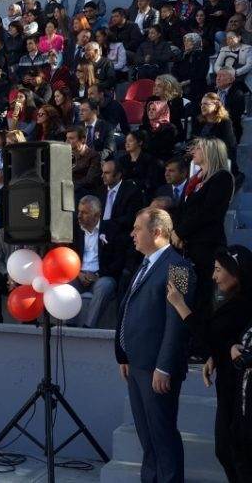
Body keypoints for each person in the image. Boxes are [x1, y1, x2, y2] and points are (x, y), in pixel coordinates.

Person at [115, 207, 195, 483]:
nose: (132, 234)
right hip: (137, 365)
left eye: (137, 228)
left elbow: (177, 323)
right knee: (147, 438)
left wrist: (164, 366)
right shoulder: (145, 263)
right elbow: (131, 309)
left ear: (157, 232)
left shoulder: (178, 267)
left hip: (157, 369)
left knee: (162, 436)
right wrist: (124, 354)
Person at [167, 245, 252, 483]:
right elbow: (227, 338)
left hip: (242, 391)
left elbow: (213, 335)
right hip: (227, 383)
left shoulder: (244, 303)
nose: (214, 276)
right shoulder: (228, 299)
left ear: (235, 272)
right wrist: (217, 355)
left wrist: (181, 306)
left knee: (239, 451)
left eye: (218, 270)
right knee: (225, 449)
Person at [175, 137, 234, 316]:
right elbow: (184, 211)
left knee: (201, 298)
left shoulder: (222, 178)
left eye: (198, 148)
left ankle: (197, 330)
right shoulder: (195, 180)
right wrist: (176, 233)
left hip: (206, 248)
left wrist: (180, 232)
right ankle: (178, 327)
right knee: (178, 295)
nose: (193, 151)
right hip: (184, 248)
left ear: (210, 152)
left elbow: (207, 213)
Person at [72, 196, 124, 328]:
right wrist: (78, 273)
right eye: (79, 211)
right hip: (78, 275)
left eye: (84, 212)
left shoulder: (112, 230)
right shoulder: (74, 230)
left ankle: (88, 327)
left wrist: (97, 275)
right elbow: (68, 255)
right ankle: (68, 326)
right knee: (65, 285)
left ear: (97, 215)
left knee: (104, 286)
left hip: (101, 276)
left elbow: (118, 260)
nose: (79, 216)